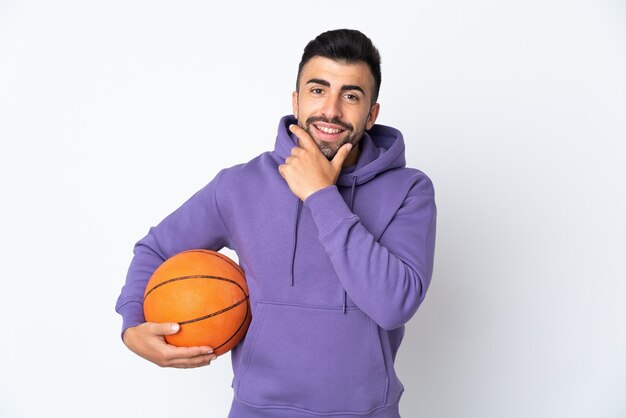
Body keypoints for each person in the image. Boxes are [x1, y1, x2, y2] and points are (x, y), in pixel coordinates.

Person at [116, 28, 437, 418]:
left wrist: (320, 195)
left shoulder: (409, 189)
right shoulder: (239, 186)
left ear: (371, 114)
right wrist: (133, 321)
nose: (331, 110)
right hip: (257, 410)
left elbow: (393, 304)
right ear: (296, 99)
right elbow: (156, 248)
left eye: (350, 95)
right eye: (318, 90)